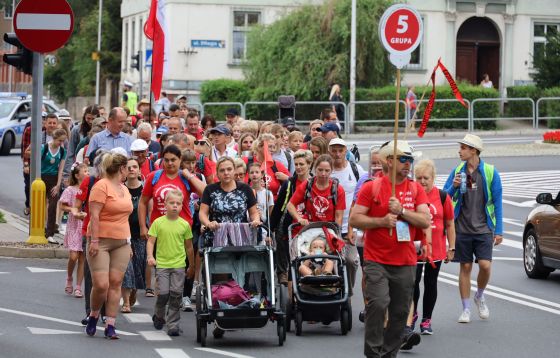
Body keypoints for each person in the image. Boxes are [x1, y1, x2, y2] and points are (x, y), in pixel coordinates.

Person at [349, 140, 431, 358]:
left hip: (405, 261)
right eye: (403, 159)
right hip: (376, 259)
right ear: (390, 161)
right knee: (378, 303)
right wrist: (381, 221)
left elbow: (424, 221)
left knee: (400, 312)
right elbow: (355, 219)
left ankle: (389, 354)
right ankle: (373, 353)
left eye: (410, 159)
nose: (407, 164)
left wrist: (402, 210)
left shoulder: (415, 189)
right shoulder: (371, 187)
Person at [198, 157, 260, 338]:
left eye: (228, 169)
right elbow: (202, 213)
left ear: (234, 171)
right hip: (217, 238)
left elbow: (253, 211)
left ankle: (241, 305)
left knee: (240, 273)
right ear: (217, 173)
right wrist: (208, 223)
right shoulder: (210, 190)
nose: (226, 173)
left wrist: (255, 220)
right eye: (222, 170)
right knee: (220, 277)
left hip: (240, 239)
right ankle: (221, 314)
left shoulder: (245, 189)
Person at [443, 134, 502, 323]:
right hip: (462, 227)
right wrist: (453, 187)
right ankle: (466, 308)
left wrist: (499, 230)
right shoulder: (457, 170)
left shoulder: (491, 172)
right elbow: (443, 197)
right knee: (466, 266)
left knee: (485, 265)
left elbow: (498, 202)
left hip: (484, 228)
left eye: (463, 147)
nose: (459, 151)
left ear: (473, 151)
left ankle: (480, 296)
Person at [85, 152, 133, 339]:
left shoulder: (124, 189)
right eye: (127, 168)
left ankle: (111, 324)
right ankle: (94, 315)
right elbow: (94, 216)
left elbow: (126, 217)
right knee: (101, 285)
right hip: (101, 241)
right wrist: (94, 241)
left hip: (122, 241)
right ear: (121, 168)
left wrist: (129, 243)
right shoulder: (101, 186)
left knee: (115, 283)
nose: (129, 171)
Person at [410, 159, 456, 335]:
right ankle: (412, 314)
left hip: (435, 250)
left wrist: (451, 248)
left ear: (433, 178)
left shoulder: (443, 196)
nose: (422, 181)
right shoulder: (411, 195)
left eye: (426, 178)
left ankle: (426, 320)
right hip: (414, 249)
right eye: (419, 177)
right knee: (412, 284)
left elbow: (450, 224)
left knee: (431, 284)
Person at [148, 190, 195, 336]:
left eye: (178, 203)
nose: (175, 206)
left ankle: (173, 325)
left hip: (179, 265)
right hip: (162, 264)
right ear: (165, 204)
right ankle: (159, 315)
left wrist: (192, 266)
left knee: (175, 295)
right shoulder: (158, 222)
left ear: (182, 206)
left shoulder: (184, 225)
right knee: (163, 293)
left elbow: (189, 247)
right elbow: (151, 241)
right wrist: (150, 256)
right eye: (172, 203)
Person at [329, 138, 366, 297]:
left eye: (340, 150)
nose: (337, 154)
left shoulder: (356, 169)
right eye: (334, 150)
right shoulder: (325, 170)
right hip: (329, 227)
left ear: (346, 151)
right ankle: (333, 295)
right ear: (329, 151)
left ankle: (347, 293)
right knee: (332, 264)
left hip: (349, 227)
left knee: (351, 261)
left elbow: (367, 188)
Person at [270, 149, 313, 284]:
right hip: (290, 224)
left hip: (309, 227)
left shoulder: (314, 183)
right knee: (291, 258)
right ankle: (284, 274)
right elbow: (278, 208)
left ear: (309, 164)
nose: (299, 167)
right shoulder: (289, 184)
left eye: (302, 164)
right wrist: (270, 228)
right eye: (296, 164)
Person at [286, 154, 345, 231]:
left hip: (329, 229)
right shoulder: (307, 185)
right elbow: (290, 205)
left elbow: (339, 217)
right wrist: (299, 219)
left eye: (327, 170)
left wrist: (337, 233)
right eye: (320, 170)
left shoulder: (338, 189)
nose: (323, 174)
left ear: (331, 170)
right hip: (310, 227)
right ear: (315, 169)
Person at [120, 158, 147, 314]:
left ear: (139, 170)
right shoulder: (120, 189)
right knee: (126, 268)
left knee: (138, 269)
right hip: (123, 235)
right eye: (128, 167)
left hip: (140, 235)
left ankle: (134, 291)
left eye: (134, 167)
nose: (131, 169)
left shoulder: (145, 190)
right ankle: (126, 302)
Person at [59, 163, 89, 298]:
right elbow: (62, 205)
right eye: (85, 171)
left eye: (88, 170)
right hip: (73, 225)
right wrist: (72, 209)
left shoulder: (90, 188)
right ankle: (69, 277)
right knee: (73, 256)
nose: (88, 173)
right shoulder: (70, 190)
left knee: (82, 257)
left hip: (84, 225)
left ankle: (78, 286)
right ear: (77, 176)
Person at [244, 134, 290, 201]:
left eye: (274, 147)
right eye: (269, 147)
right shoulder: (246, 162)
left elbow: (294, 183)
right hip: (249, 203)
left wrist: (286, 178)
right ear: (259, 147)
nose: (272, 150)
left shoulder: (276, 165)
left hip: (272, 206)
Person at [42, 129, 67, 243]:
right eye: (59, 140)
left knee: (52, 206)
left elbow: (61, 169)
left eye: (63, 141)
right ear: (54, 138)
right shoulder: (45, 148)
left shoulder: (62, 151)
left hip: (53, 179)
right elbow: (38, 163)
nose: (61, 143)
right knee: (40, 205)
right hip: (42, 178)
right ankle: (39, 229)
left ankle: (50, 233)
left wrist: (58, 185)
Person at [248, 162, 274, 228]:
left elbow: (270, 215)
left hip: (263, 228)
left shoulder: (268, 194)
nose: (254, 175)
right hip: (248, 226)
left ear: (262, 174)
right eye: (252, 172)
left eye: (257, 172)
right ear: (248, 175)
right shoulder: (246, 192)